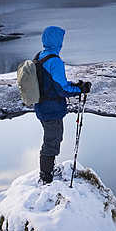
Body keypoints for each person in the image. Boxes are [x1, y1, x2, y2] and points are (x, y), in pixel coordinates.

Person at [34, 25, 91, 183]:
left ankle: (48, 170)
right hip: (52, 109)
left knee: (51, 139)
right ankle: (46, 176)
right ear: (58, 41)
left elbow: (51, 83)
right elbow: (62, 90)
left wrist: (75, 85)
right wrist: (80, 90)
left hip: (42, 105)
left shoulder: (41, 56)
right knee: (52, 141)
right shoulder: (55, 61)